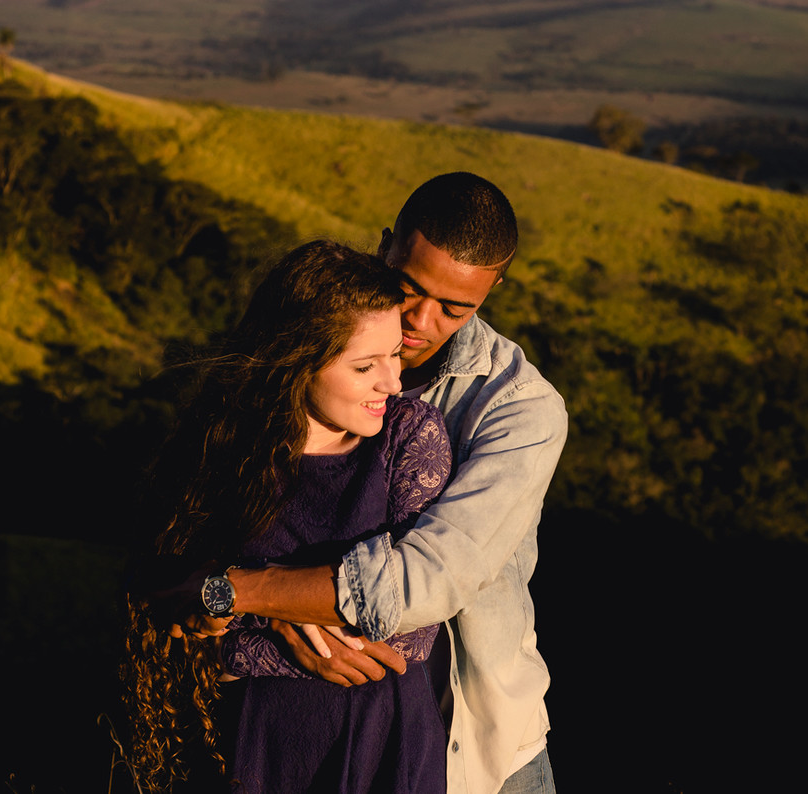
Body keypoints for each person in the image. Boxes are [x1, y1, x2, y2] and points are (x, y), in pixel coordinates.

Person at [177, 172, 568, 793]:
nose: (419, 320)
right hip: (299, 742)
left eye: (454, 307)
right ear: (386, 244)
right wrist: (280, 613)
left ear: (494, 290)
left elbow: (424, 582)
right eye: (409, 287)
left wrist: (247, 593)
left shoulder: (520, 409)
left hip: (484, 753)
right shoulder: (306, 346)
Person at [123, 240, 454, 793]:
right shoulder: (223, 445)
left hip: (386, 749)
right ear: (299, 360)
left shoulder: (409, 437)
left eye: (395, 354)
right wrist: (282, 619)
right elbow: (165, 608)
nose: (392, 382)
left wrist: (250, 612)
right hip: (251, 747)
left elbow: (409, 634)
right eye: (365, 365)